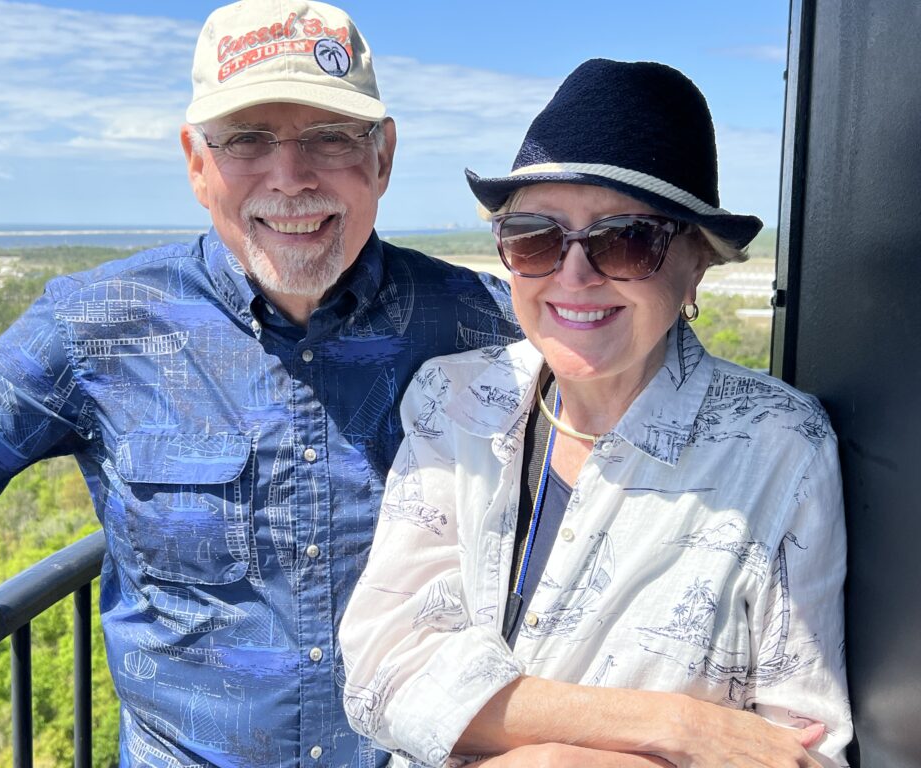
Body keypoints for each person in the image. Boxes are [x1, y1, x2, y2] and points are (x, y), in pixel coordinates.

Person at [0, 1, 518, 766]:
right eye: (247, 141)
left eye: (329, 137)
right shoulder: (100, 326)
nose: (290, 179)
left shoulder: (486, 327)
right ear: (197, 161)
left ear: (383, 157)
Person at [339, 59, 852, 768]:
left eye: (627, 238)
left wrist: (549, 756)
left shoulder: (779, 448)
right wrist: (673, 727)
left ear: (697, 259)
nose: (574, 275)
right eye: (535, 237)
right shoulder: (453, 399)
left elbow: (802, 752)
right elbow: (381, 673)